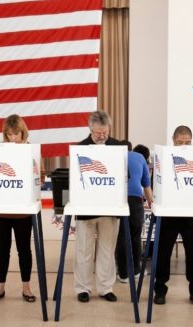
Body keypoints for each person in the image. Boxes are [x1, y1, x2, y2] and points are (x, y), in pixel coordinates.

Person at [0, 114, 42, 303]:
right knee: (2, 249)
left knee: (24, 249)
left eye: (16, 133)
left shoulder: (31, 150)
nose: (12, 138)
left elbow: (40, 178)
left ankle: (26, 288)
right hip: (1, 210)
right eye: (9, 134)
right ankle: (0, 287)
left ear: (23, 132)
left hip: (23, 212)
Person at [154, 125, 193, 306]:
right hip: (169, 214)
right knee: (163, 253)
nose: (184, 145)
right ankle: (160, 290)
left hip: (192, 215)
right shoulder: (164, 157)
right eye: (180, 142)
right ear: (173, 140)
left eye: (188, 142)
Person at [75, 110, 121, 303]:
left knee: (107, 250)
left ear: (109, 128)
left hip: (110, 208)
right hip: (86, 208)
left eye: (105, 132)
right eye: (97, 133)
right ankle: (83, 288)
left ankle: (105, 287)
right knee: (84, 250)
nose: (101, 136)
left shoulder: (118, 147)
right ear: (90, 129)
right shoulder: (80, 148)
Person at [115, 141, 153, 283]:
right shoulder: (140, 157)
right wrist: (151, 203)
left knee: (122, 237)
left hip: (118, 199)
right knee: (135, 236)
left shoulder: (114, 157)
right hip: (136, 200)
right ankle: (136, 272)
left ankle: (123, 274)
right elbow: (146, 185)